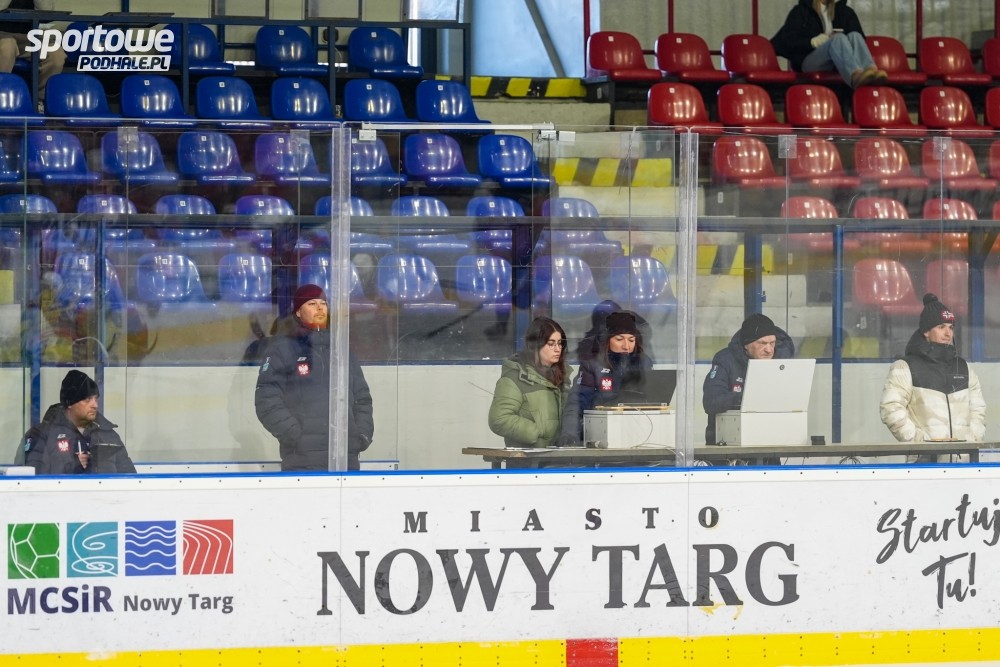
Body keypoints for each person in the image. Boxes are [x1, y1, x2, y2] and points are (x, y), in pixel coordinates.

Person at [255, 284, 374, 471]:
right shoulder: (282, 348)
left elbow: (362, 397)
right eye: (311, 303)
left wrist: (361, 435)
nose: (319, 308)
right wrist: (295, 436)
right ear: (298, 312)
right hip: (302, 461)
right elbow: (266, 401)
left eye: (323, 303)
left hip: (345, 458)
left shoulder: (342, 349)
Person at [879, 293, 985, 454]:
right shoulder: (905, 367)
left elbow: (978, 410)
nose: (948, 333)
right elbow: (890, 408)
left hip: (964, 463)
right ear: (926, 331)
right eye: (941, 327)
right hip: (924, 463)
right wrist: (919, 443)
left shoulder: (964, 368)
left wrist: (971, 440)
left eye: (951, 327)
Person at [558, 311, 653, 445]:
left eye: (631, 340)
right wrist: (569, 434)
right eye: (619, 339)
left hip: (637, 433)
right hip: (601, 433)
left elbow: (652, 402)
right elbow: (577, 403)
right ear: (607, 340)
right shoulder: (592, 365)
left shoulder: (644, 364)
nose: (626, 346)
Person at [19, 369, 136, 474]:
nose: (95, 405)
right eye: (87, 399)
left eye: (96, 399)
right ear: (70, 403)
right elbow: (31, 479)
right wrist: (72, 465)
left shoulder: (108, 434)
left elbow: (130, 477)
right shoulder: (42, 435)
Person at [702, 313, 795, 445]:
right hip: (727, 447)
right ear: (746, 344)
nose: (769, 350)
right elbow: (711, 402)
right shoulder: (725, 361)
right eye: (762, 343)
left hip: (772, 443)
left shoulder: (782, 363)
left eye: (772, 343)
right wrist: (747, 398)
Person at [488, 316, 570, 448]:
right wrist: (535, 433)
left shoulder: (562, 377)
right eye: (551, 344)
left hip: (558, 456)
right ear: (535, 346)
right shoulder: (515, 378)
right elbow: (498, 419)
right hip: (527, 457)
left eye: (560, 343)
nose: (557, 349)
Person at [771, 0, 887, 89]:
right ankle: (855, 76)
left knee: (854, 35)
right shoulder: (801, 11)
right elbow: (789, 40)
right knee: (838, 39)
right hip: (808, 60)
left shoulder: (843, 11)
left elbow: (859, 38)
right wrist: (812, 42)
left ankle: (871, 71)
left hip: (835, 61)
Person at [0, 0, 66, 109]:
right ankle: (2, 95)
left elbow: (46, 11)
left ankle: (40, 100)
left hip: (30, 36)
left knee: (56, 54)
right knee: (7, 46)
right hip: (2, 33)